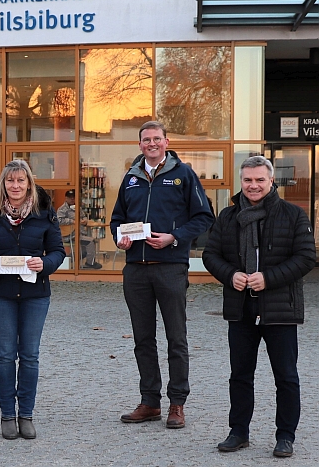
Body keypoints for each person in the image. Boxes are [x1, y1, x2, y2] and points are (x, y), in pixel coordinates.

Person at [203, 156, 315, 458]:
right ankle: (238, 432)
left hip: (280, 309)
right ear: (241, 181)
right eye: (248, 180)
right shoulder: (228, 216)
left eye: (259, 180)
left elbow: (306, 257)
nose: (253, 185)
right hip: (240, 308)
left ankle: (285, 436)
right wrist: (230, 275)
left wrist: (268, 278)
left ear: (271, 181)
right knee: (240, 375)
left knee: (286, 376)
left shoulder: (293, 214)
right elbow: (211, 255)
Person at [110, 121, 214, 429]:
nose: (152, 143)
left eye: (157, 138)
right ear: (140, 144)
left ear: (166, 142)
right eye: (147, 139)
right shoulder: (131, 178)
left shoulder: (183, 174)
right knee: (143, 339)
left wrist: (174, 237)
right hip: (136, 270)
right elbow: (117, 219)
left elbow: (204, 217)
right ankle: (150, 402)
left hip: (170, 267)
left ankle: (177, 403)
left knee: (176, 338)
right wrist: (120, 238)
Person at [0, 160, 65, 440]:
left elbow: (58, 251)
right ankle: (7, 415)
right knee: (5, 355)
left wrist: (45, 264)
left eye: (20, 181)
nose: (15, 186)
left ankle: (26, 414)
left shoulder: (44, 211)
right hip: (0, 294)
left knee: (29, 356)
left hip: (35, 295)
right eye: (10, 181)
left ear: (29, 184)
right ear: (4, 184)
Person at [57, 189, 102, 269]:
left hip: (80, 233)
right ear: (66, 198)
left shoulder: (78, 208)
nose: (72, 199)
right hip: (70, 235)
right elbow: (59, 220)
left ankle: (69, 260)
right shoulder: (62, 209)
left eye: (73, 197)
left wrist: (85, 220)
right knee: (90, 241)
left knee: (84, 250)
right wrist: (73, 221)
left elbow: (83, 216)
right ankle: (90, 263)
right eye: (70, 197)